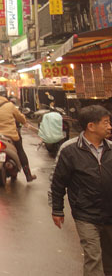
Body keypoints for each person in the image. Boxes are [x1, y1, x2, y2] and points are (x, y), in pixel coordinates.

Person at [50, 105, 112, 276]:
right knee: (93, 257)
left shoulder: (111, 149)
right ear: (91, 126)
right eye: (106, 123)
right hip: (86, 215)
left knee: (109, 259)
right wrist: (57, 209)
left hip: (110, 214)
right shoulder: (70, 150)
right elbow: (58, 182)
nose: (110, 127)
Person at [0, 84, 37, 182]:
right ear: (4, 94)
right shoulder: (10, 105)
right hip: (10, 135)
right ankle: (28, 175)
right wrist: (24, 121)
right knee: (20, 150)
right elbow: (20, 118)